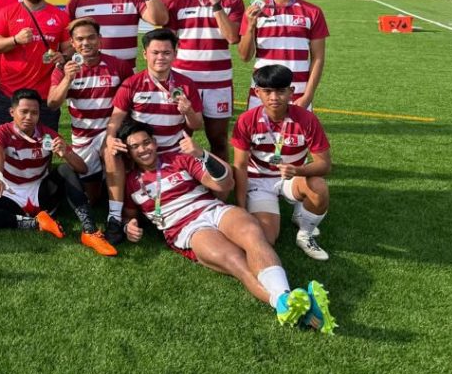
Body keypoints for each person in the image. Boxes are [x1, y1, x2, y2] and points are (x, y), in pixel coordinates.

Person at [118, 120, 335, 333]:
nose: (143, 149)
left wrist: (202, 155)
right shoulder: (129, 182)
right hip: (187, 228)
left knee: (253, 235)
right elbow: (128, 216)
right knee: (236, 261)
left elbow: (222, 183)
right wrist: (129, 226)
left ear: (154, 142)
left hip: (212, 208)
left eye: (146, 142)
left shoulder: (178, 159)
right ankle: (285, 300)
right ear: (129, 152)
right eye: (135, 146)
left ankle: (286, 303)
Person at [47, 18, 133, 253]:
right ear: (73, 43)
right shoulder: (64, 69)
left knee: (111, 151)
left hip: (110, 131)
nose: (86, 43)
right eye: (80, 39)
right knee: (92, 199)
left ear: (100, 39)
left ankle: (114, 219)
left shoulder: (118, 66)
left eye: (91, 37)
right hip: (83, 138)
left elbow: (130, 101)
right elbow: (52, 103)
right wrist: (67, 78)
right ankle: (110, 185)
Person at [231, 64, 333, 261]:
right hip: (259, 181)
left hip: (292, 178)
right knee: (267, 238)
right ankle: (294, 211)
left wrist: (297, 170)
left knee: (319, 186)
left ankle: (305, 235)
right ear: (257, 92)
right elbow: (240, 166)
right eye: (267, 91)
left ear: (291, 91)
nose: (274, 97)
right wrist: (241, 208)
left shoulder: (307, 119)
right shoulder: (246, 120)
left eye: (280, 91)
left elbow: (325, 165)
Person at [0, 89, 86, 240]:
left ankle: (90, 229)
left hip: (41, 193)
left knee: (65, 169)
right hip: (11, 195)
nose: (29, 117)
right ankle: (35, 223)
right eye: (24, 112)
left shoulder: (47, 135)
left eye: (34, 113)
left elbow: (83, 168)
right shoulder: (2, 132)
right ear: (12, 112)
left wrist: (66, 154)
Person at [165, 0, 245, 161]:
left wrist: (216, 3)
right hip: (184, 81)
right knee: (181, 138)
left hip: (218, 82)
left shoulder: (233, 2)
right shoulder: (177, 2)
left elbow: (232, 37)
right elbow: (168, 43)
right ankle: (181, 179)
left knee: (218, 139)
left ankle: (221, 181)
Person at [239, 0, 329, 110]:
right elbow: (245, 56)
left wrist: (308, 96)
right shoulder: (255, 11)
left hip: (298, 94)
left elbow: (318, 58)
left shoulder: (313, 12)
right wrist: (251, 26)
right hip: (262, 94)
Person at [0, 0, 71, 131]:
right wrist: (15, 40)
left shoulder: (60, 15)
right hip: (9, 94)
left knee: (45, 144)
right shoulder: (7, 12)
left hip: (45, 97)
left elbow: (69, 48)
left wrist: (63, 56)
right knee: (4, 144)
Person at [105, 28, 203, 157]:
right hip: (141, 154)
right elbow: (116, 119)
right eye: (155, 53)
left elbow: (197, 125)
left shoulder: (186, 84)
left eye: (166, 53)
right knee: (110, 155)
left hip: (175, 153)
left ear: (175, 54)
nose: (160, 57)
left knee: (224, 169)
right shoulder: (131, 84)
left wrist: (188, 111)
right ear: (145, 54)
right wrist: (110, 139)